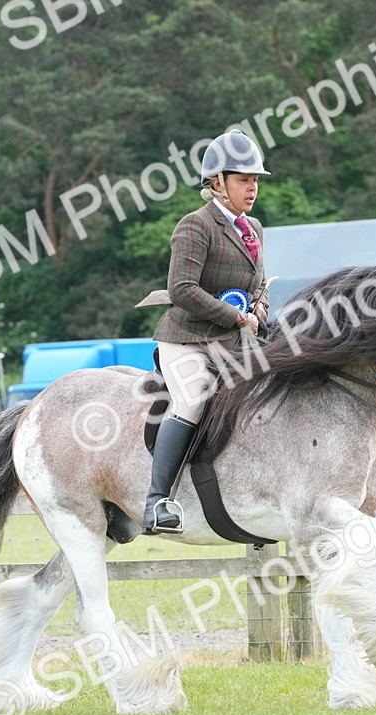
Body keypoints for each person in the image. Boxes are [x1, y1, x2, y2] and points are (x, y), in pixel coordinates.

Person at [142, 129, 270, 534]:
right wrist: (236, 317)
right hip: (188, 338)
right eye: (243, 180)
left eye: (254, 180)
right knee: (193, 398)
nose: (252, 188)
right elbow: (182, 289)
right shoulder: (195, 226)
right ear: (217, 183)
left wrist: (259, 309)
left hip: (235, 341)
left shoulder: (254, 228)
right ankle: (157, 502)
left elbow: (259, 286)